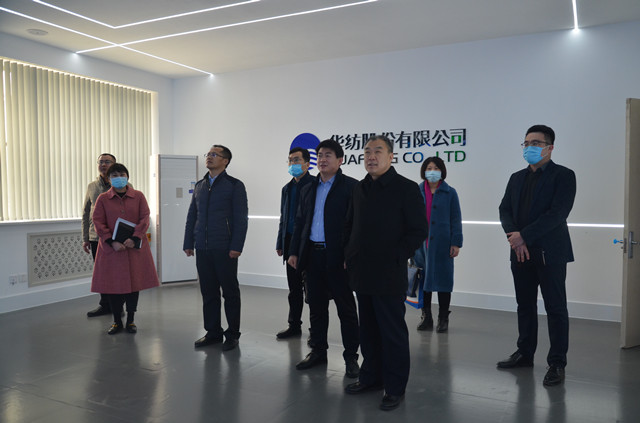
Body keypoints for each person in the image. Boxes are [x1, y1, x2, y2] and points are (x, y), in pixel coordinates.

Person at [343, 135, 428, 411]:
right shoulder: (359, 188)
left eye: (378, 151)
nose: (371, 156)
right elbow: (350, 224)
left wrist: (396, 255)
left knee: (392, 332)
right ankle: (371, 378)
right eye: (367, 152)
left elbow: (418, 229)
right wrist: (349, 254)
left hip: (389, 272)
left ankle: (394, 387)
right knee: (367, 330)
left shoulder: (406, 188)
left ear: (391, 156)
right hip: (362, 270)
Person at [497, 125, 576, 387]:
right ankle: (525, 353)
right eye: (526, 143)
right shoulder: (516, 178)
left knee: (555, 308)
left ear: (550, 147)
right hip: (519, 252)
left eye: (536, 143)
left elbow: (558, 214)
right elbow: (504, 209)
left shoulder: (564, 176)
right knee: (525, 304)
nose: (529, 147)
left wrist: (524, 236)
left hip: (550, 252)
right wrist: (514, 236)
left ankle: (557, 363)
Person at [288, 139, 360, 378]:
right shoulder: (308, 187)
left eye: (328, 155)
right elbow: (300, 223)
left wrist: (350, 255)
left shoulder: (352, 187)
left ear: (340, 160)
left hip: (338, 258)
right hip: (313, 256)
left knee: (346, 310)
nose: (322, 159)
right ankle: (318, 352)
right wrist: (294, 251)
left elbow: (357, 226)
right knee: (317, 308)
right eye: (319, 155)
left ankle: (351, 357)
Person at [184, 145, 248, 352]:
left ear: (225, 161)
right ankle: (213, 332)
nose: (209, 157)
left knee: (230, 293)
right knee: (208, 292)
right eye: (208, 154)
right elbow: (192, 216)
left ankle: (233, 334)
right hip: (203, 247)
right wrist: (188, 242)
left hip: (225, 247)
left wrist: (236, 246)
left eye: (214, 154)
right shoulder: (200, 185)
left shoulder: (234, 185)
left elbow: (241, 219)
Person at [90, 163, 159, 334]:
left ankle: (131, 320)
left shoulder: (139, 196)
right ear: (109, 179)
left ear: (127, 177)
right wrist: (111, 241)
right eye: (114, 175)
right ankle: (116, 321)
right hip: (111, 250)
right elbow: (98, 222)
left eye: (122, 174)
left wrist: (135, 237)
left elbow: (144, 217)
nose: (118, 178)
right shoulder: (103, 199)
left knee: (134, 285)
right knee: (113, 286)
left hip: (134, 248)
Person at [414, 156, 462, 333]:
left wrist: (456, 242)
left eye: (436, 168)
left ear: (442, 171)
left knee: (444, 281)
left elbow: (456, 218)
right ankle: (426, 316)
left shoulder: (450, 192)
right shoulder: (416, 191)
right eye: (429, 168)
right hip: (420, 245)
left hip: (443, 244)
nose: (432, 171)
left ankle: (443, 317)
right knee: (423, 281)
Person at [275, 147, 314, 339]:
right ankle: (294, 325)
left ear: (307, 163)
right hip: (290, 240)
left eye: (297, 160)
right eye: (290, 160)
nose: (293, 164)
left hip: (308, 242)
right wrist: (280, 241)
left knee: (313, 290)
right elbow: (284, 217)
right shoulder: (287, 188)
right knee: (294, 288)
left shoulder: (315, 185)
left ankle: (315, 330)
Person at [82, 153, 117, 317]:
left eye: (107, 162)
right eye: (100, 162)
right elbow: (86, 212)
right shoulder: (92, 186)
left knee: (116, 272)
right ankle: (105, 305)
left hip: (116, 237)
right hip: (96, 237)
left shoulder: (123, 184)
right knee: (101, 273)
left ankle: (118, 306)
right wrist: (85, 238)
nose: (103, 164)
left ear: (114, 164)